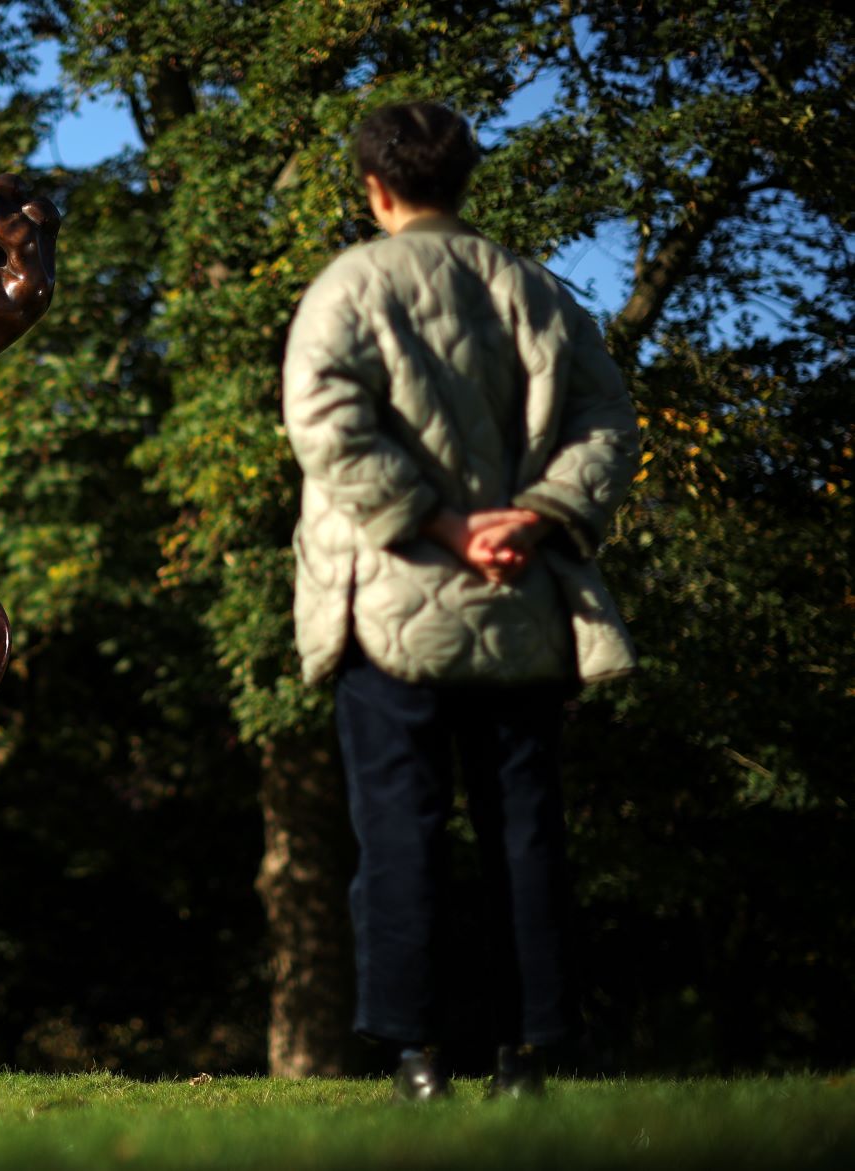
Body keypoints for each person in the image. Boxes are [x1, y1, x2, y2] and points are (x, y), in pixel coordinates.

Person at [281, 101, 640, 1100]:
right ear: (462, 179)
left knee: (399, 827)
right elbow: (606, 417)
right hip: (519, 599)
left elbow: (324, 420)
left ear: (374, 187)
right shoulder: (535, 289)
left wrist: (437, 527)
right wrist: (529, 518)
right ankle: (525, 1054)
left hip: (385, 602)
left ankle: (417, 1056)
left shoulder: (346, 286)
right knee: (524, 827)